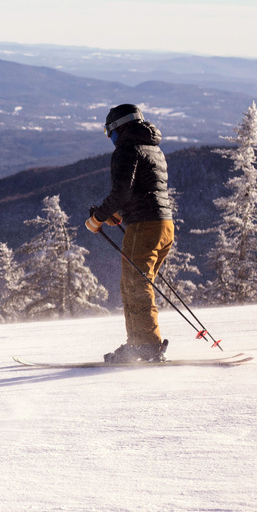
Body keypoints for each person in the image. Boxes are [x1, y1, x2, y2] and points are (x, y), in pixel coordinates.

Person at [85, 104, 174, 363]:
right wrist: (121, 214)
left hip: (144, 227)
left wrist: (97, 218)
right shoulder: (153, 148)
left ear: (119, 127)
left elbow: (122, 192)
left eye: (108, 131)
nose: (109, 138)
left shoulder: (127, 149)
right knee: (137, 283)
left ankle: (145, 345)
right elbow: (146, 191)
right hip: (163, 226)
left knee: (135, 285)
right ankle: (140, 343)